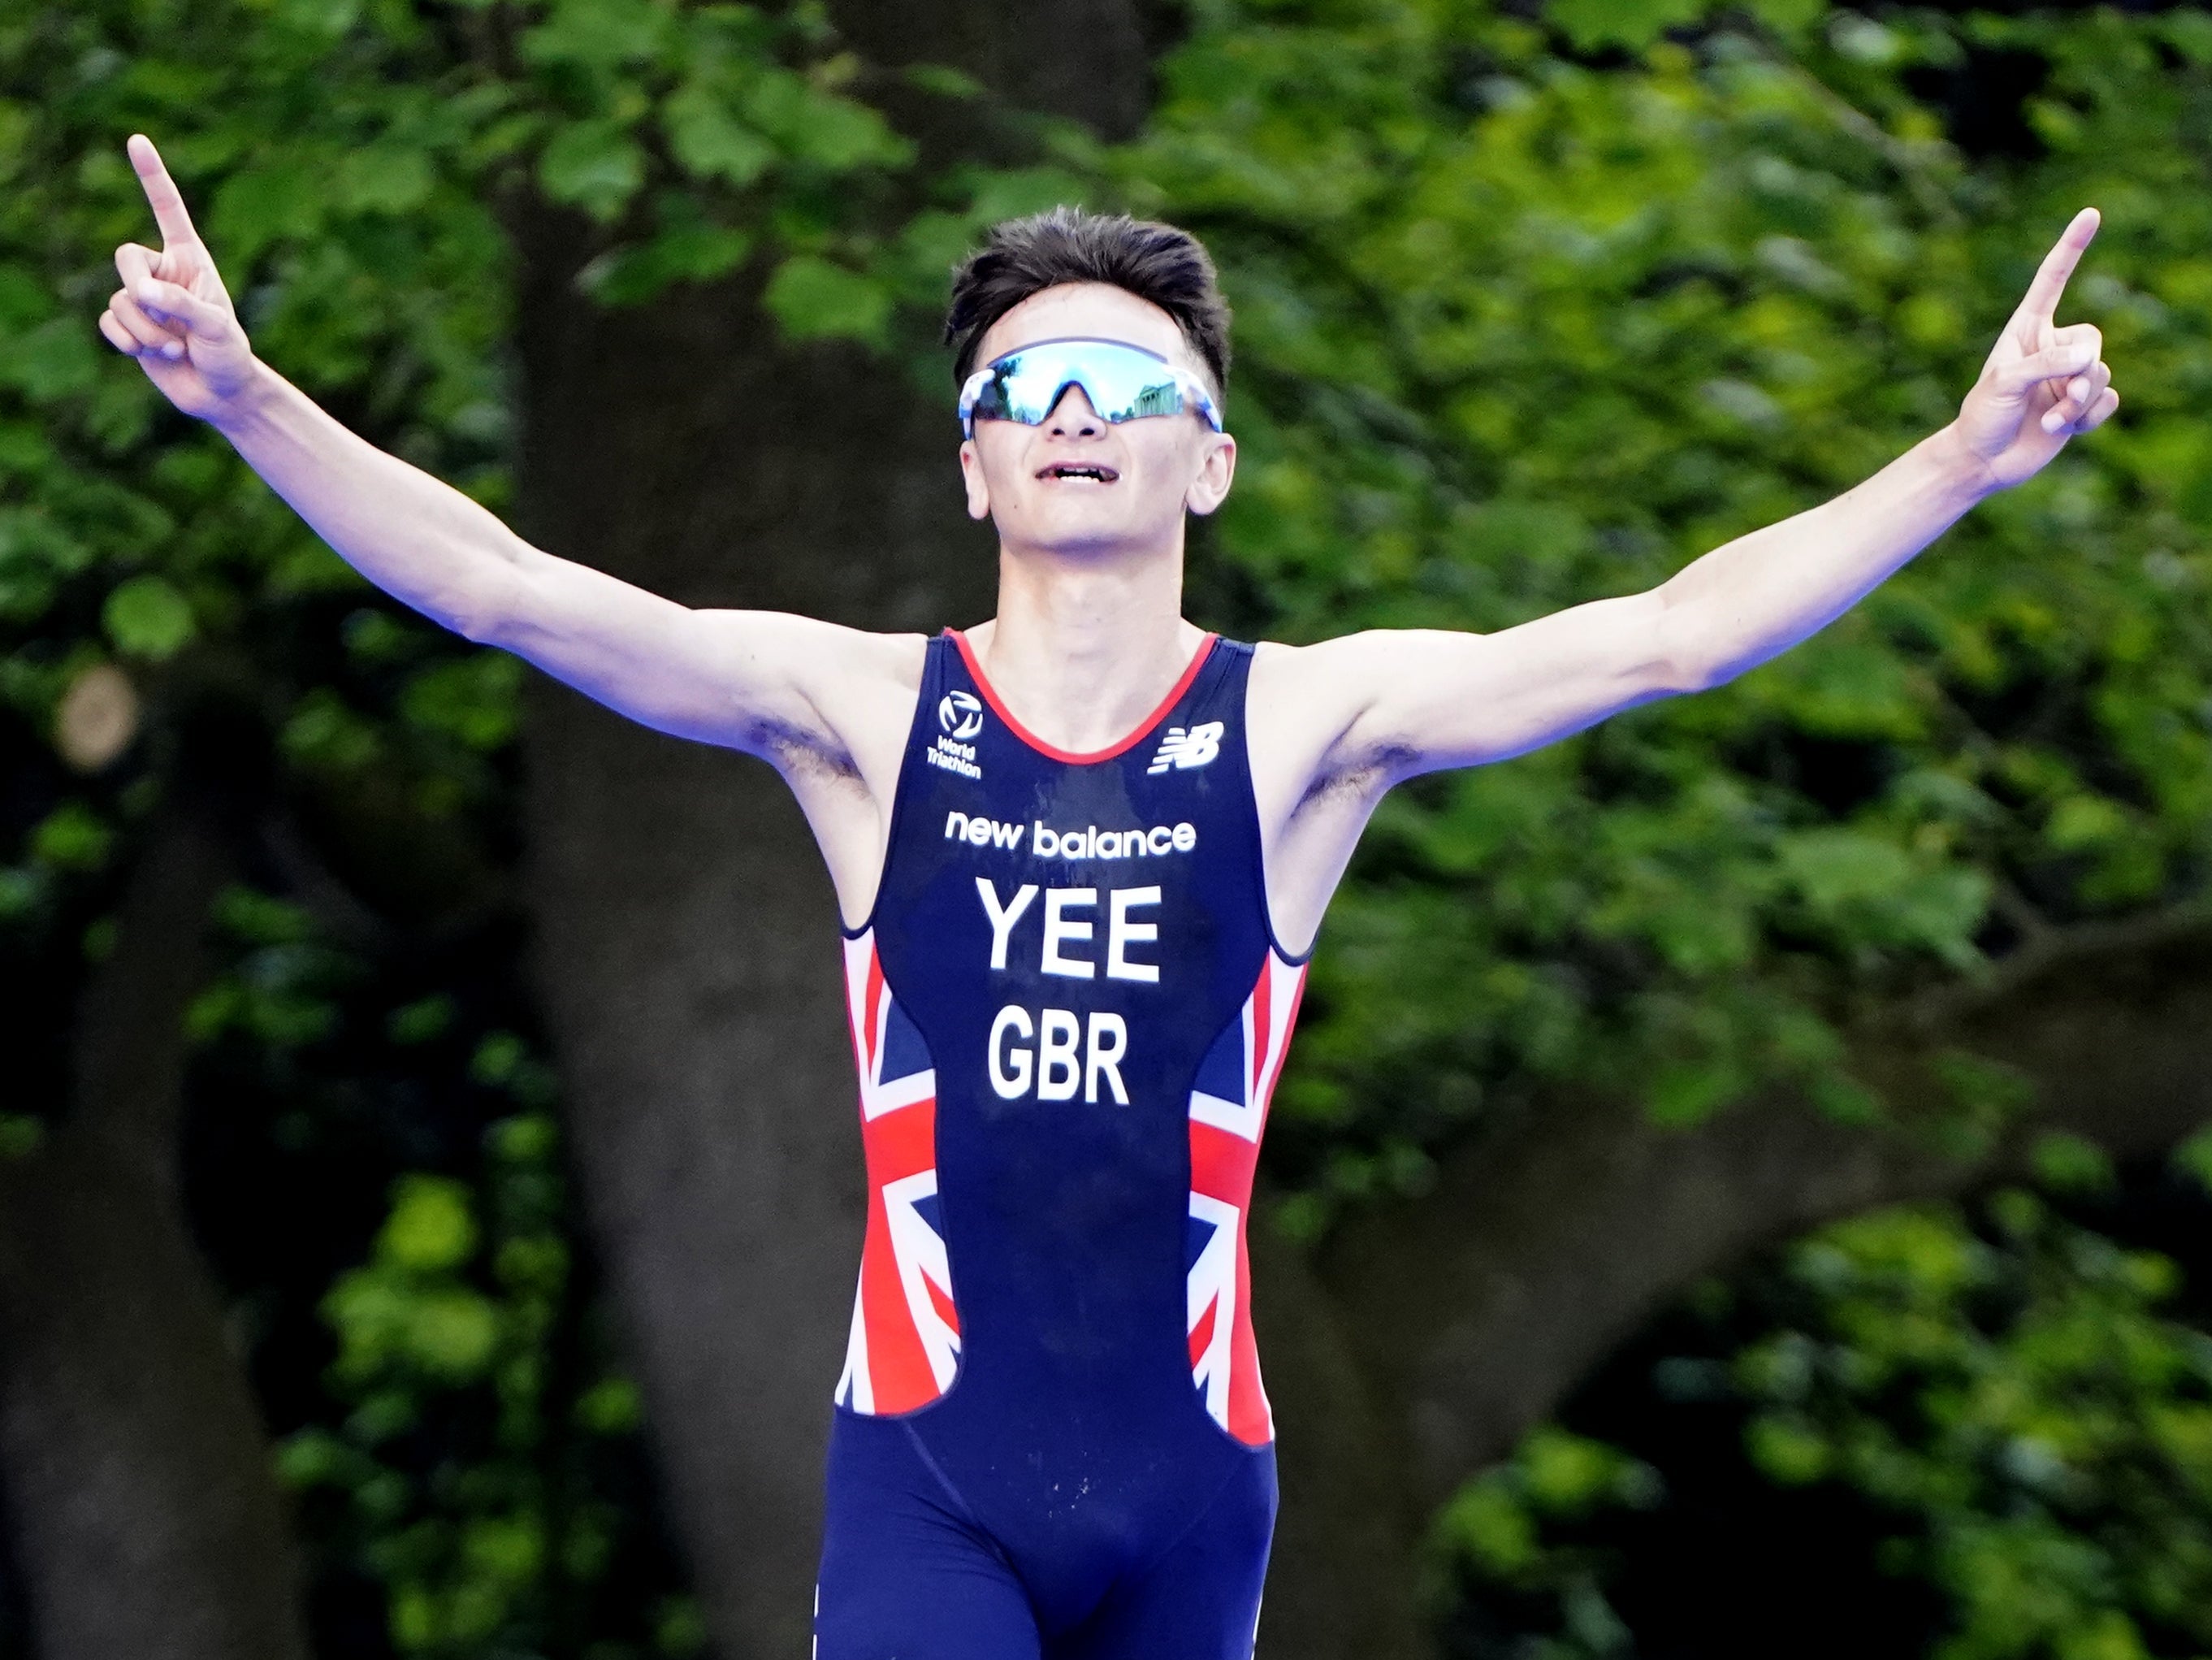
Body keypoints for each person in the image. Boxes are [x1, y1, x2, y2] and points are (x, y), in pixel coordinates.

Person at [98, 128, 2117, 1658]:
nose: (1075, 412)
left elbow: (1669, 635)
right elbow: (508, 588)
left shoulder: (1305, 730)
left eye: (1131, 384)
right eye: (1027, 387)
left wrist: (1954, 462)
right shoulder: (862, 718)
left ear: (1209, 461)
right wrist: (247, 395)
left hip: (1193, 1496)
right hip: (930, 1483)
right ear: (971, 466)